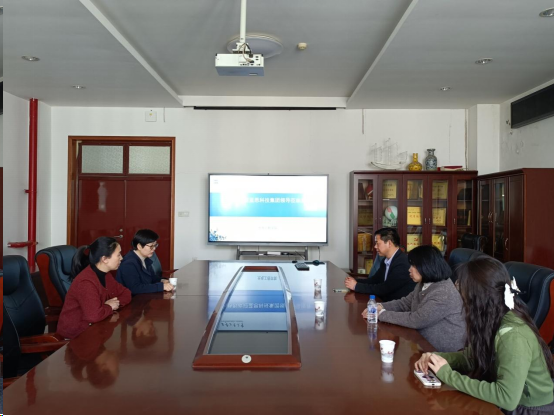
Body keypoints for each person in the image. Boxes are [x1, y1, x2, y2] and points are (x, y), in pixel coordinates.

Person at [415, 257, 554, 414]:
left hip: (528, 410)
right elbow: (472, 358)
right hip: (507, 402)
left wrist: (448, 375)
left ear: (478, 297)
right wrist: (436, 358)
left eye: (462, 287)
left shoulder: (513, 335)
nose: (459, 293)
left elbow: (507, 398)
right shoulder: (493, 319)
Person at [362, 245, 465, 352]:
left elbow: (417, 320)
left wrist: (380, 314)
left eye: (414, 265)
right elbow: (405, 303)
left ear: (426, 266)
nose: (409, 269)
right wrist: (379, 306)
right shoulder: (424, 283)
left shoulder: (443, 292)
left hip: (442, 352)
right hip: (421, 343)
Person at [57, 237, 132, 339]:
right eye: (118, 255)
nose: (121, 258)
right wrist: (109, 307)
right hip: (76, 337)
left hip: (95, 329)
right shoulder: (86, 282)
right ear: (104, 259)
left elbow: (126, 293)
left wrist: (114, 304)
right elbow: (93, 316)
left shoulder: (105, 274)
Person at [345, 228, 415, 301]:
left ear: (389, 243)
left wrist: (356, 286)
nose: (375, 246)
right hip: (385, 301)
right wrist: (355, 281)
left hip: (397, 305)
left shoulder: (403, 262)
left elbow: (385, 289)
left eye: (377, 243)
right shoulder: (386, 260)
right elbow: (375, 280)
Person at [116, 229, 173, 295]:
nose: (154, 249)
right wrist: (161, 286)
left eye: (155, 245)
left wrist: (162, 280)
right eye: (151, 246)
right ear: (139, 246)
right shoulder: (128, 263)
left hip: (144, 295)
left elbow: (152, 277)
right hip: (134, 299)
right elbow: (135, 288)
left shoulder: (145, 258)